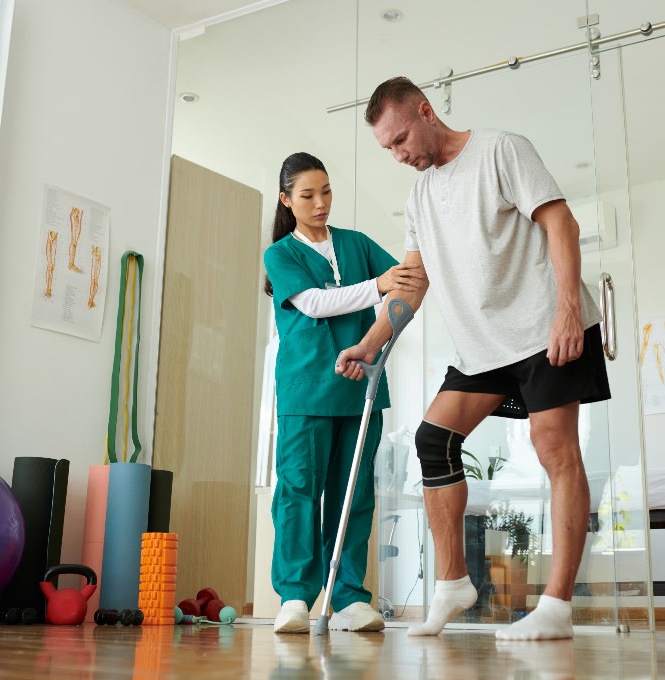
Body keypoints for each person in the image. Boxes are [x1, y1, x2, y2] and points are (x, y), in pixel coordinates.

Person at [335, 77, 610, 641]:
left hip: (541, 329)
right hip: (483, 347)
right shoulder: (418, 198)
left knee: (554, 449)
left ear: (427, 111)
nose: (399, 154)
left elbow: (561, 222)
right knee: (433, 439)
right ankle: (452, 583)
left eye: (401, 138)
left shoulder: (501, 150)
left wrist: (565, 310)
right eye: (387, 148)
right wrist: (368, 343)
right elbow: (412, 284)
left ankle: (556, 608)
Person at [263, 151, 425, 634]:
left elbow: (410, 284)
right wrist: (377, 285)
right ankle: (295, 596)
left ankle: (350, 597)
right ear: (286, 200)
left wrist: (377, 340)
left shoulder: (356, 243)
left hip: (361, 390)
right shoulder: (282, 254)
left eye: (326, 191)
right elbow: (313, 303)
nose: (320, 203)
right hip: (305, 391)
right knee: (297, 493)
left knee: (353, 496)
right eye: (308, 195)